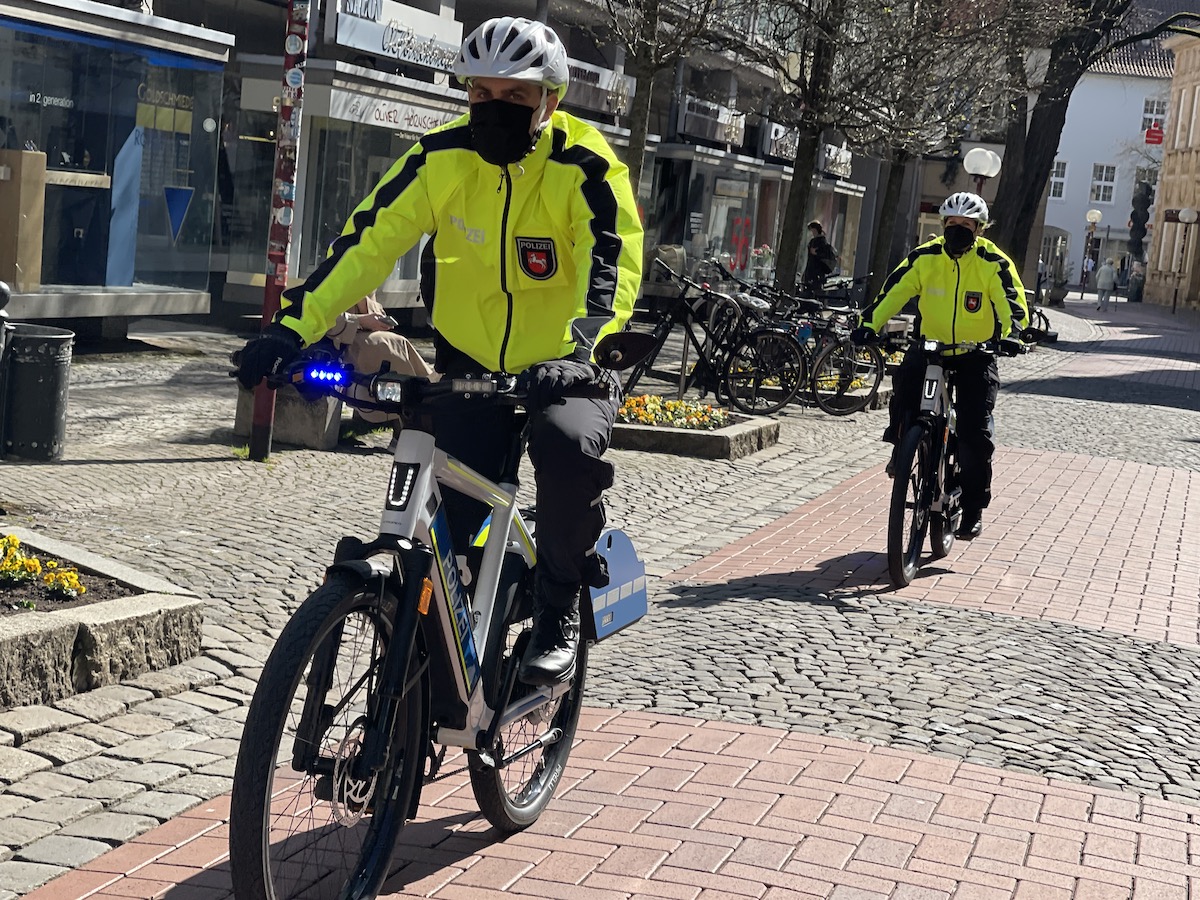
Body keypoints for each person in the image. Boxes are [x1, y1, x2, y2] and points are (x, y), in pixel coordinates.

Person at [234, 16, 644, 686]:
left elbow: (612, 266)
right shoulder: (439, 157)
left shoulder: (586, 165)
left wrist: (583, 351)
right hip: (469, 367)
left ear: (550, 100)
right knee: (449, 529)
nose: (494, 109)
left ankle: (556, 606)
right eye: (481, 95)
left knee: (568, 454)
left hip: (567, 368)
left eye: (514, 98)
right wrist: (291, 329)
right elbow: (367, 241)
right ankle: (427, 681)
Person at [852, 191, 1024, 540]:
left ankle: (973, 506)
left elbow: (1011, 302)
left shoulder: (993, 262)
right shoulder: (925, 257)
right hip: (932, 348)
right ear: (943, 225)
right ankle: (904, 451)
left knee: (975, 432)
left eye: (966, 225)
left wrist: (1013, 333)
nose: (957, 230)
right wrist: (869, 325)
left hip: (976, 354)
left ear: (979, 229)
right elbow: (894, 291)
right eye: (951, 224)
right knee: (905, 387)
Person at [324, 292, 435, 446]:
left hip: (363, 335)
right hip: (339, 339)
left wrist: (363, 301)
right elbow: (323, 318)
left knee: (394, 344)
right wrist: (360, 320)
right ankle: (405, 422)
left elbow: (378, 312)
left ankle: (416, 409)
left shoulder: (366, 277)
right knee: (386, 345)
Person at [803, 220, 838, 293]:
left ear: (814, 230)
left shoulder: (816, 242)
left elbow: (813, 260)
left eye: (812, 230)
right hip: (819, 274)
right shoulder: (822, 241)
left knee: (811, 293)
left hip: (813, 273)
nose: (811, 233)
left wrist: (816, 253)